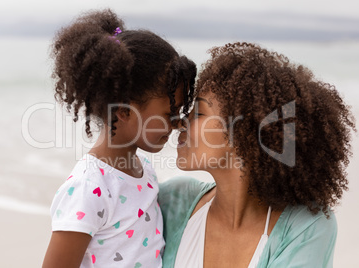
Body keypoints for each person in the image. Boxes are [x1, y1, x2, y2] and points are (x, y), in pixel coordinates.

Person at [159, 42, 356, 267]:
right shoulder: (172, 201)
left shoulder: (306, 226)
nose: (179, 124)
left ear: (246, 132)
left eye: (199, 113)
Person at [42, 9, 196, 268]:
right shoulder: (88, 188)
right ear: (124, 112)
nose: (177, 123)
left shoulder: (142, 169)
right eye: (169, 113)